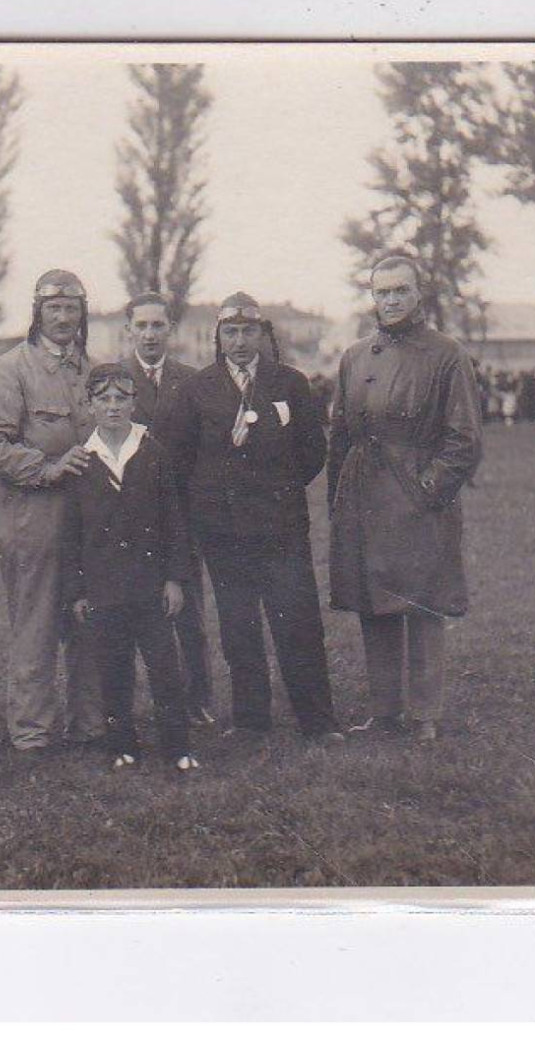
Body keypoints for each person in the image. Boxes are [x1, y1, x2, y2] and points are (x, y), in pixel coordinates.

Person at [163, 292, 345, 745]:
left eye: (248, 332)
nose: (240, 341)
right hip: (224, 533)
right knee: (238, 624)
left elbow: (312, 452)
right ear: (218, 337)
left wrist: (276, 490)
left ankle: (317, 720)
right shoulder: (197, 389)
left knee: (297, 621)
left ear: (264, 335)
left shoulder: (290, 384)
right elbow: (181, 462)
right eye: (231, 332)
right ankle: (250, 719)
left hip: (281, 527)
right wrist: (215, 502)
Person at [327, 254, 483, 745]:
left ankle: (424, 715)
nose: (391, 300)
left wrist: (427, 489)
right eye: (382, 292)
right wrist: (338, 496)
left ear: (419, 293)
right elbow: (340, 434)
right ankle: (384, 711)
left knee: (422, 602)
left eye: (400, 290)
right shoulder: (355, 356)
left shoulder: (446, 354)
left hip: (417, 496)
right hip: (365, 496)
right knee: (374, 601)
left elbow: (464, 439)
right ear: (372, 297)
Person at [0, 269, 103, 752]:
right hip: (31, 518)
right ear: (37, 314)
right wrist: (46, 466)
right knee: (36, 622)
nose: (63, 318)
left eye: (72, 309)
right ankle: (32, 732)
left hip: (90, 522)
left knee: (91, 617)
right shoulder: (6, 372)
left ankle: (92, 725)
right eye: (54, 309)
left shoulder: (95, 372)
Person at [62, 364, 199, 773]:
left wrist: (174, 578)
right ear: (89, 406)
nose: (113, 406)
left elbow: (174, 522)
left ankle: (177, 747)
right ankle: (122, 746)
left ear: (134, 403)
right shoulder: (82, 461)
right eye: (103, 399)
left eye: (121, 398)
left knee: (165, 669)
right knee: (113, 670)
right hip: (104, 588)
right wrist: (79, 592)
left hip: (150, 585)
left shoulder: (153, 453)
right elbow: (72, 534)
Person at [123, 290, 215, 727]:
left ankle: (197, 700)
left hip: (182, 512)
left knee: (188, 606)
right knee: (127, 604)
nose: (150, 334)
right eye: (141, 326)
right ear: (128, 331)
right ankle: (120, 703)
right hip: (128, 512)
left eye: (157, 325)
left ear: (171, 330)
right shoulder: (113, 380)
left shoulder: (193, 381)